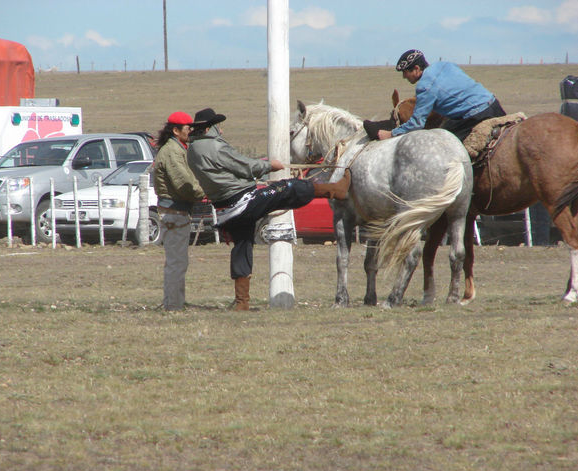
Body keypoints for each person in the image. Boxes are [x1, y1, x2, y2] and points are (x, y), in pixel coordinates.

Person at [187, 108, 351, 311]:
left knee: (242, 246)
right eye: (217, 126)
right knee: (288, 187)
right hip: (242, 201)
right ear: (209, 127)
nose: (220, 130)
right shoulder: (214, 146)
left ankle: (242, 302)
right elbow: (243, 165)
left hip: (225, 210)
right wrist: (268, 166)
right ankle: (336, 190)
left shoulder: (192, 151)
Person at [376, 49, 506, 142]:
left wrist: (391, 134)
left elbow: (417, 123)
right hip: (493, 104)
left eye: (405, 72)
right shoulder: (445, 65)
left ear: (416, 69)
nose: (404, 77)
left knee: (443, 151)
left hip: (475, 116)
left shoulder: (424, 86)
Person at [153, 111, 205, 311]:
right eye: (187, 128)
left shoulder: (173, 149)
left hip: (174, 212)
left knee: (177, 261)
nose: (190, 131)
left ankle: (174, 302)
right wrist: (202, 193)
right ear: (176, 130)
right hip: (175, 212)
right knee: (177, 262)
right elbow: (184, 182)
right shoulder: (173, 152)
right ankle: (173, 305)